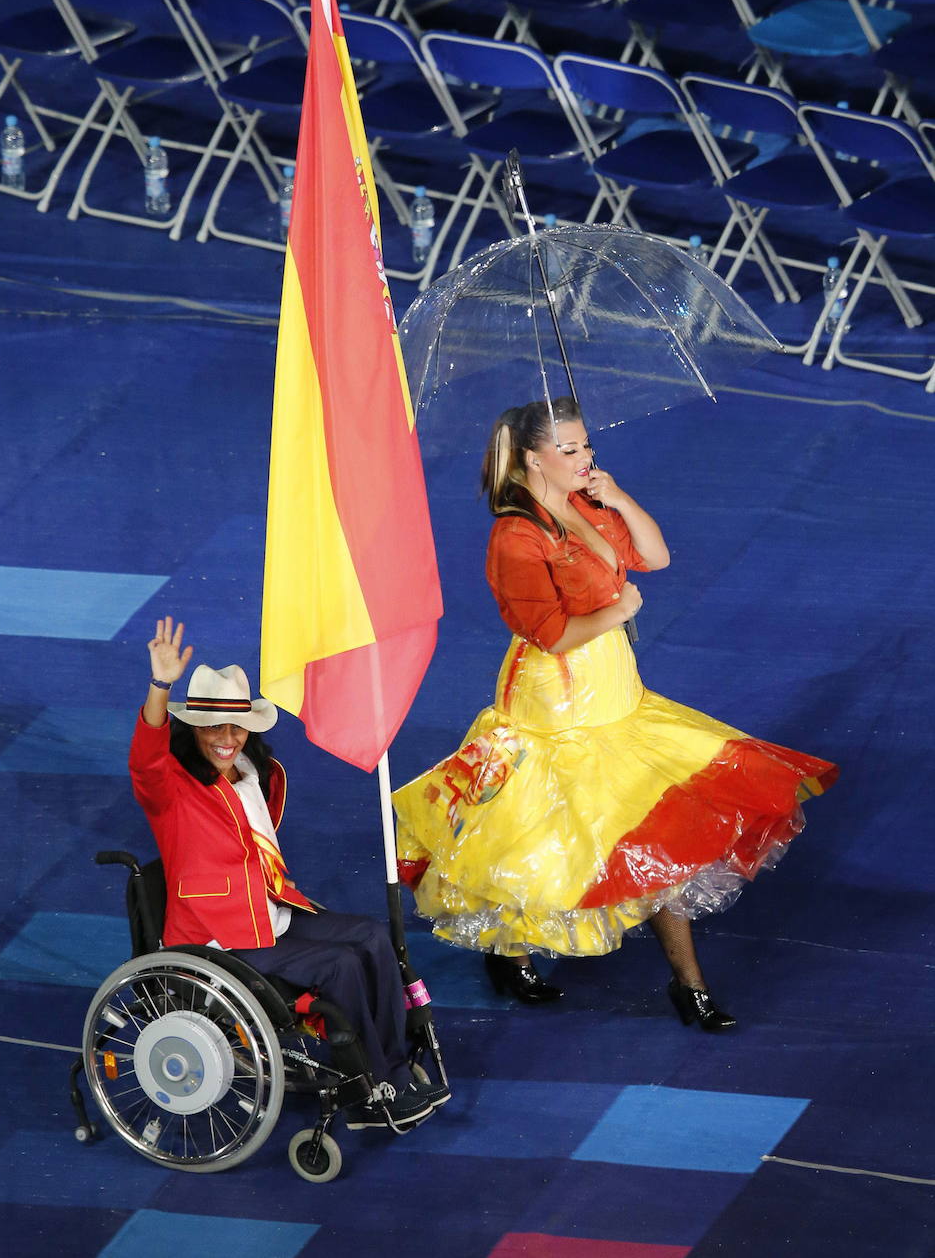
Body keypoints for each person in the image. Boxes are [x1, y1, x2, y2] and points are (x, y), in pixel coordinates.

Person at [393, 398, 838, 1028]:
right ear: (531, 458)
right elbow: (548, 633)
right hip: (559, 701)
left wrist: (619, 498)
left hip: (614, 689)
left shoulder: (587, 505)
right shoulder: (516, 536)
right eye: (569, 450)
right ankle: (515, 952)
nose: (585, 458)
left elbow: (654, 558)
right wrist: (618, 614)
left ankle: (687, 984)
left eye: (586, 447)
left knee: (651, 826)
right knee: (545, 835)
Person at [129, 616, 449, 1129]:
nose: (226, 737)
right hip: (221, 936)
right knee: (339, 968)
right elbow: (146, 761)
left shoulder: (256, 776)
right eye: (213, 726)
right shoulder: (172, 789)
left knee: (371, 936)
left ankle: (392, 1060)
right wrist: (160, 685)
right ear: (192, 728)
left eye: (235, 726)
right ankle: (372, 1088)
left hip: (271, 908)